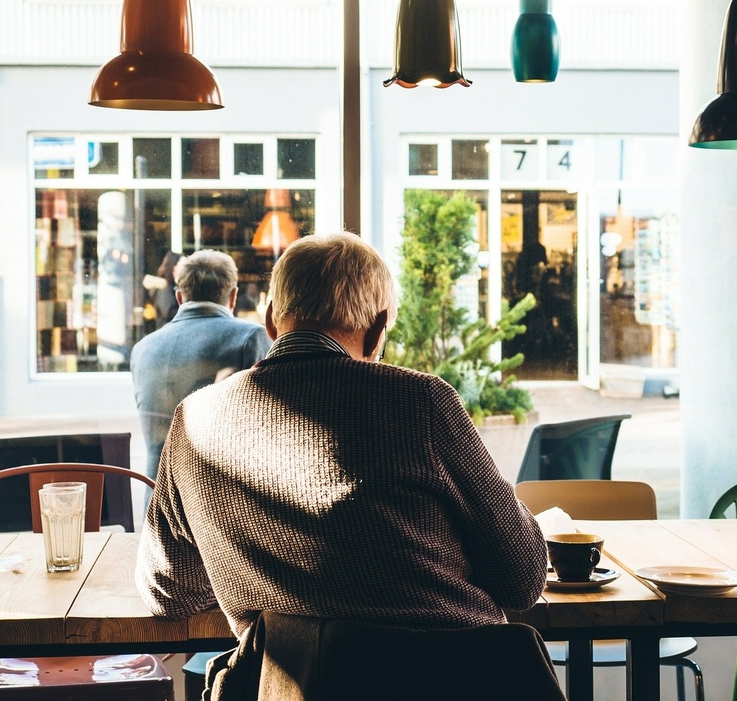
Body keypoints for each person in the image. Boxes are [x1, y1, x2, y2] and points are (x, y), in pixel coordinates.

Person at [135, 232, 547, 637]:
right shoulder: (421, 402)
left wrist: (253, 568)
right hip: (455, 677)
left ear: (271, 321)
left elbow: (168, 593)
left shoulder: (194, 420)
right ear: (377, 329)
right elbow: (522, 579)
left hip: (291, 685)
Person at [130, 249, 271, 479]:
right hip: (218, 503)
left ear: (179, 297)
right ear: (233, 297)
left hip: (156, 502)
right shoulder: (250, 338)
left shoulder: (142, 349)